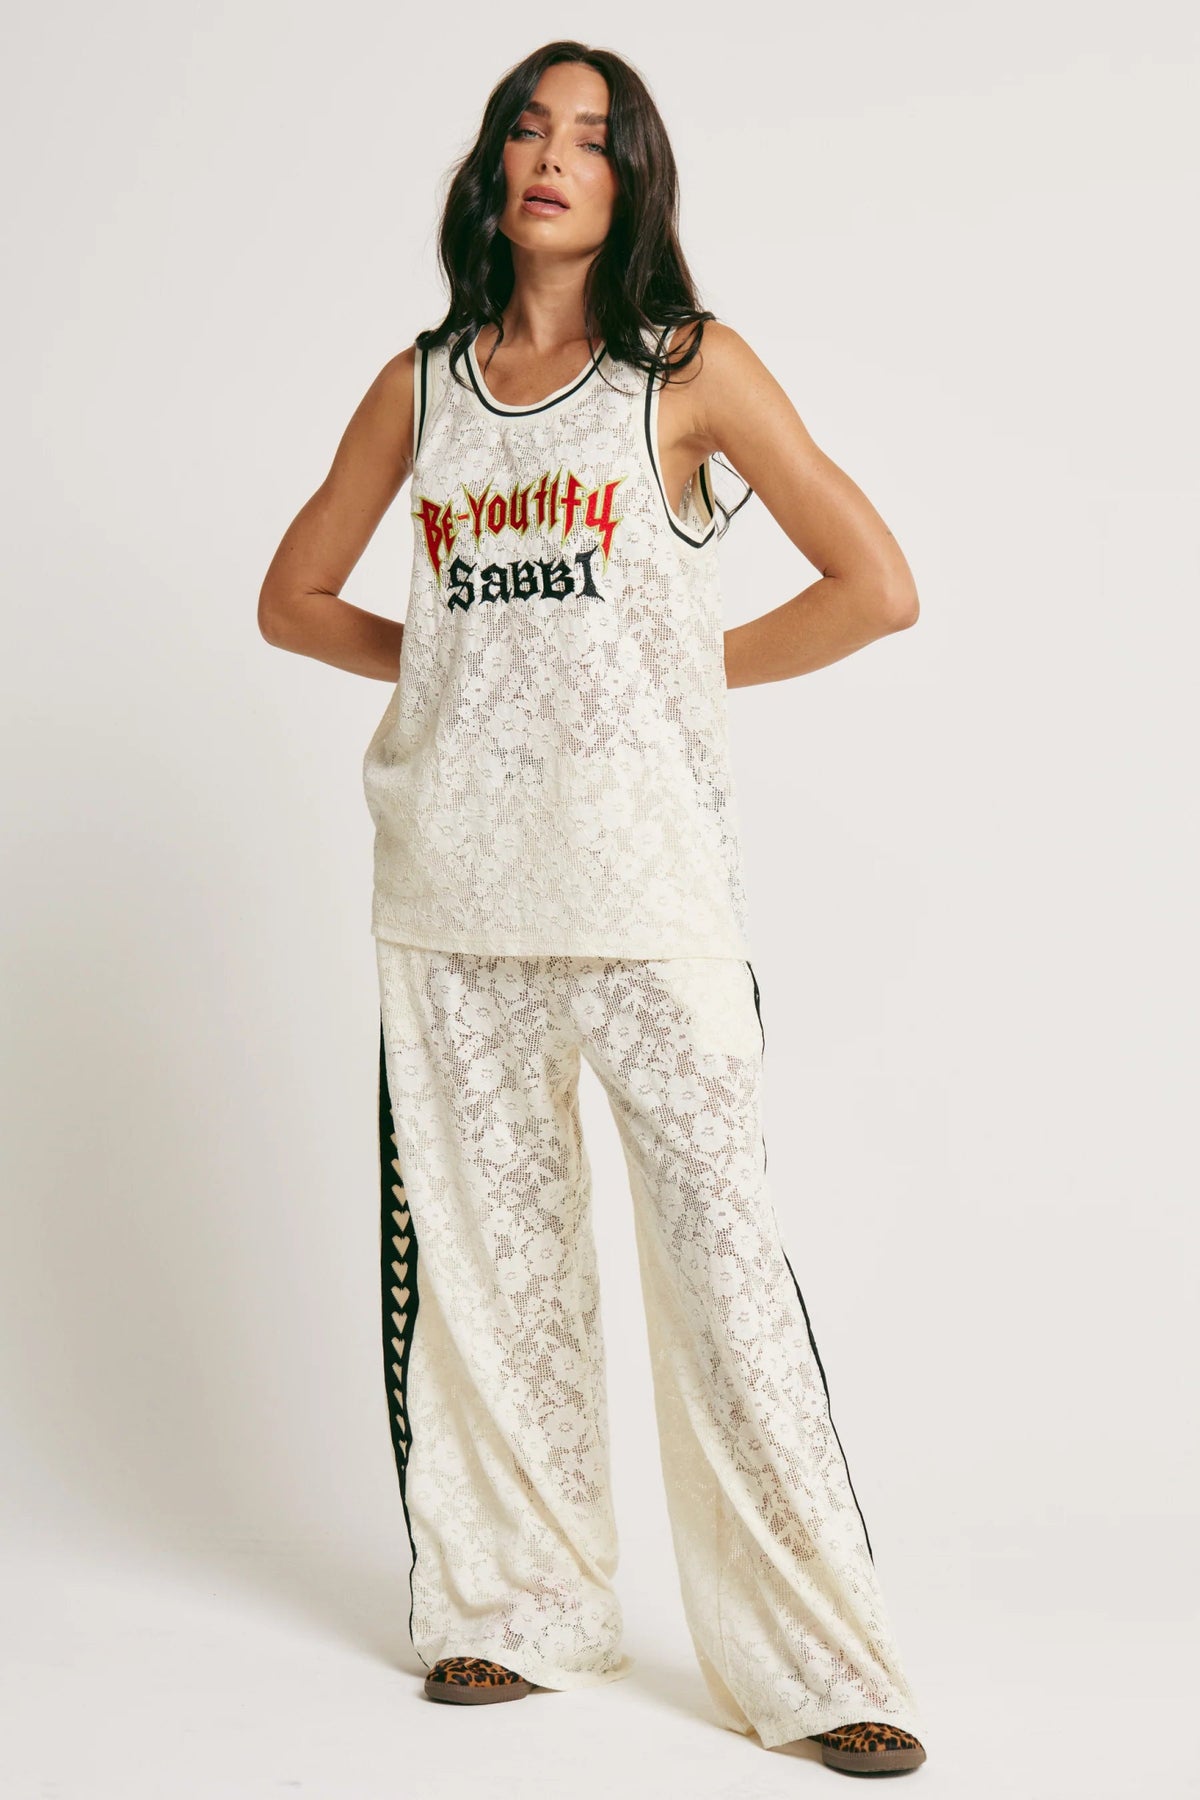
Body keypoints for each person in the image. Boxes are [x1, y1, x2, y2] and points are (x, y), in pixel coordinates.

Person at [258, 39, 929, 1779]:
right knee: (488, 1282)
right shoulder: (422, 389)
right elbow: (293, 596)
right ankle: (514, 1610)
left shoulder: (685, 369)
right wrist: (453, 672)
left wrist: (674, 672)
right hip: (454, 895)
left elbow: (875, 585)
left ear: (633, 180)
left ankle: (820, 1663)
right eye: (526, 129)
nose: (552, 156)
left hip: (647, 896)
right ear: (493, 167)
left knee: (728, 1276)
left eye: (590, 137)